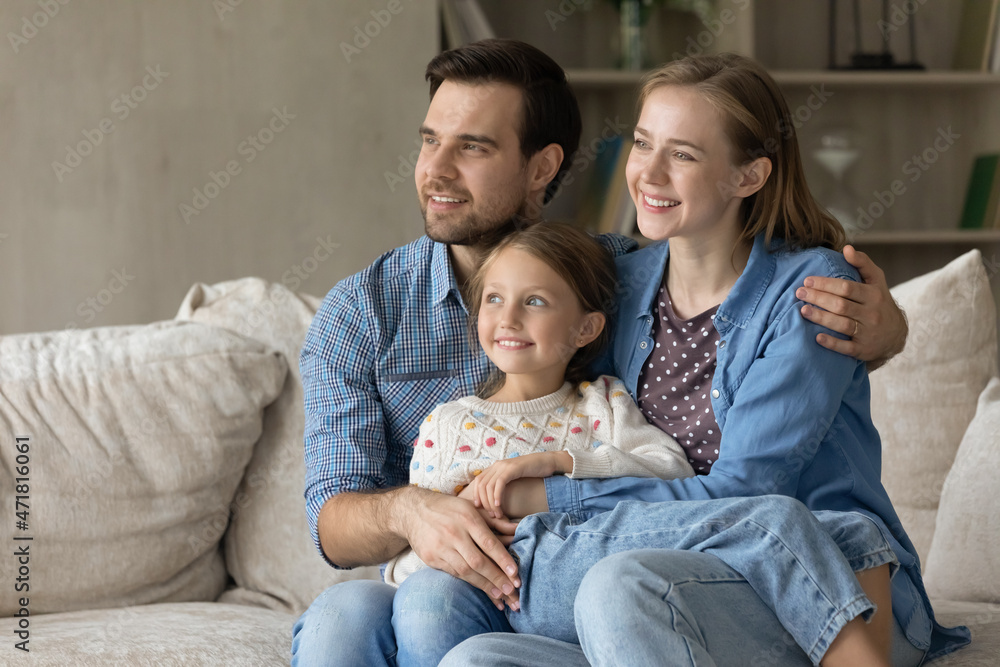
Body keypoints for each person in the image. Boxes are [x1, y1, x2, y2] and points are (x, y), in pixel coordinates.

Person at [293, 39, 911, 666]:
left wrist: (886, 333)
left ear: (543, 167)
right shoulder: (362, 312)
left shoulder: (607, 276)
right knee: (344, 619)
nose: (437, 169)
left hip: (675, 564)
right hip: (514, 566)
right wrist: (415, 511)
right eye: (430, 140)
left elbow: (752, 467)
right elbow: (332, 521)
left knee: (577, 595)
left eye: (473, 146)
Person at [438, 53, 971, 666]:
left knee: (620, 587)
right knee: (477, 659)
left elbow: (749, 492)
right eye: (642, 144)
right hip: (669, 574)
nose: (648, 173)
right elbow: (527, 334)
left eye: (683, 154)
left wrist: (550, 496)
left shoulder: (810, 290)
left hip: (825, 583)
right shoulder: (620, 280)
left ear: (748, 177)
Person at [382, 222, 695, 589]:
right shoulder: (448, 425)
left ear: (586, 329)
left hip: (571, 600)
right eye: (494, 298)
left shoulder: (603, 403)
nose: (508, 319)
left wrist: (560, 462)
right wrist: (471, 534)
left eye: (534, 302)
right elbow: (406, 569)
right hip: (462, 603)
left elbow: (675, 471)